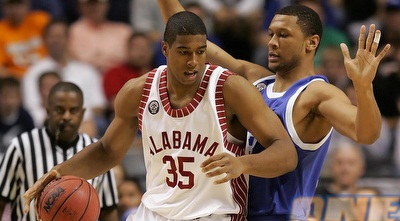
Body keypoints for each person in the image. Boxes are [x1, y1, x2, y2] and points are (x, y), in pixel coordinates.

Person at [23, 11, 297, 221]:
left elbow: (286, 153)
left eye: (200, 52)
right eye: (184, 52)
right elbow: (107, 150)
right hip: (154, 211)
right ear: (165, 50)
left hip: (213, 213)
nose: (193, 61)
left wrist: (243, 164)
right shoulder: (138, 91)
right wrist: (57, 174)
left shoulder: (229, 88)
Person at [156, 1, 390, 220]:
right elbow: (187, 33)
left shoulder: (317, 94)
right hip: (235, 213)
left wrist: (363, 87)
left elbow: (366, 134)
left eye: (283, 35)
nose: (272, 42)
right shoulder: (257, 80)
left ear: (311, 42)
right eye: (271, 34)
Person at [0, 82, 119, 221]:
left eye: (73, 110)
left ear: (82, 113)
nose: (66, 117)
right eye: (59, 110)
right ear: (48, 111)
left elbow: (108, 211)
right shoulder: (21, 145)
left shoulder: (97, 152)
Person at [22, 18, 107, 137]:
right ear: (44, 40)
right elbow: (31, 108)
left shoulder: (88, 71)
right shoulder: (33, 72)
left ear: (68, 39)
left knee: (100, 123)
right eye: (52, 36)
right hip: (47, 127)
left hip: (86, 126)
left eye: (60, 36)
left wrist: (79, 122)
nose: (56, 40)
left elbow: (98, 105)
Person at [68, 0, 132, 73]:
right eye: (89, 4)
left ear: (106, 5)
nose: (94, 8)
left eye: (98, 4)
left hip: (117, 77)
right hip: (83, 78)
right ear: (80, 7)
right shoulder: (72, 31)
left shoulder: (123, 31)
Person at [0, 0, 50, 79]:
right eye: (10, 6)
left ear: (27, 5)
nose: (15, 10)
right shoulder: (1, 30)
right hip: (19, 80)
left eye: (19, 5)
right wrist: (24, 79)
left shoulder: (40, 20)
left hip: (47, 72)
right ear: (4, 7)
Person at [0, 76, 34, 156]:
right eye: (5, 97)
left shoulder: (25, 117)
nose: (9, 102)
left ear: (20, 98)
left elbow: (32, 142)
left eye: (13, 97)